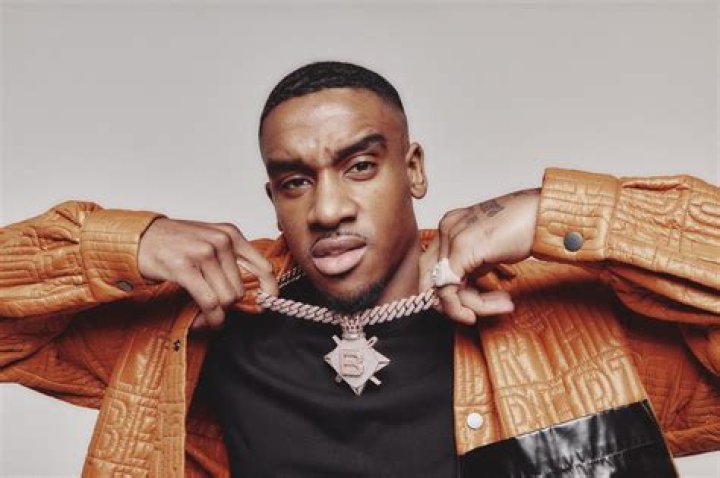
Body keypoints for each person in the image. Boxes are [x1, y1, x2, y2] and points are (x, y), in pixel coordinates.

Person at [0, 61, 718, 477]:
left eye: (360, 167)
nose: (327, 209)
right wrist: (127, 244)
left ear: (414, 170)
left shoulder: (564, 326)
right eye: (295, 181)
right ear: (273, 198)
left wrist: (554, 213)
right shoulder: (196, 329)